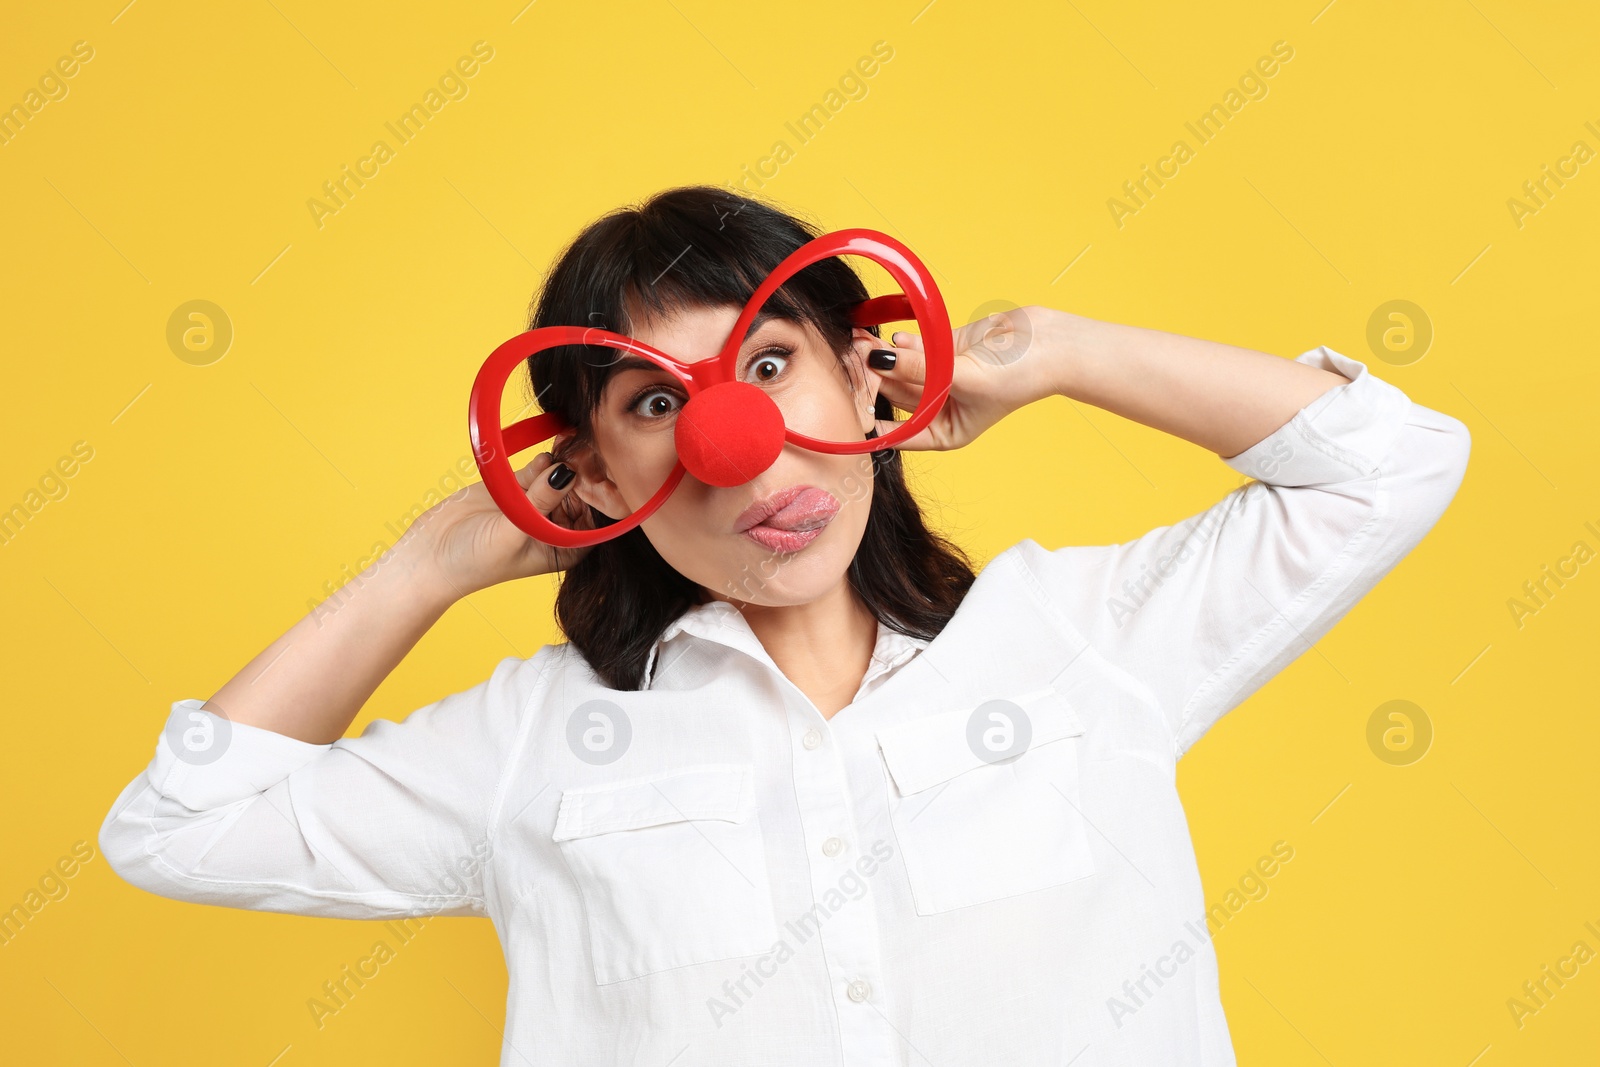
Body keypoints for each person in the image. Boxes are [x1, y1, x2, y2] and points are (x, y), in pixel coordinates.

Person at [100, 185, 1471, 1065]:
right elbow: (179, 825)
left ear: (863, 375)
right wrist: (428, 565)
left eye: (766, 364)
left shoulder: (1083, 640)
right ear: (588, 473)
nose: (737, 442)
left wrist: (1045, 351)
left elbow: (1392, 464)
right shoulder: (536, 741)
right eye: (653, 405)